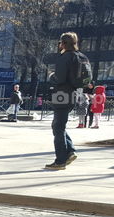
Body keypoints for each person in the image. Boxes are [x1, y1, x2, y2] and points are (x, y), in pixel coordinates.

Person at [45, 31, 83, 170]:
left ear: (63, 43)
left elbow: (59, 79)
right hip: (73, 94)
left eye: (60, 42)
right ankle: (70, 151)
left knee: (58, 127)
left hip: (61, 94)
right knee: (59, 125)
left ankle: (61, 160)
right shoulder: (80, 56)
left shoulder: (65, 57)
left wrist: (51, 76)